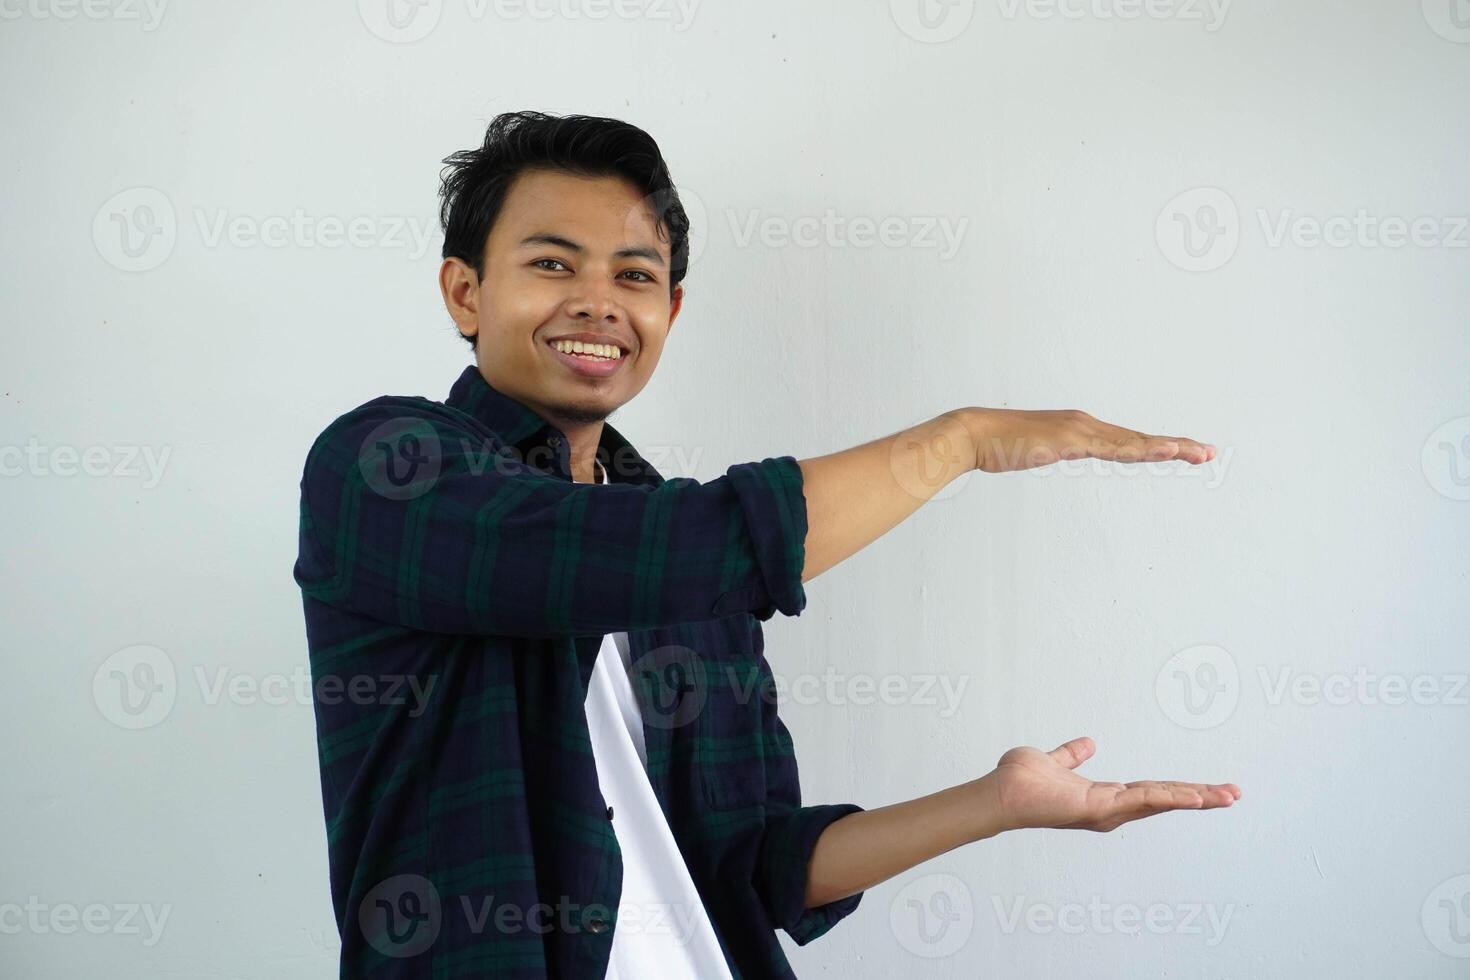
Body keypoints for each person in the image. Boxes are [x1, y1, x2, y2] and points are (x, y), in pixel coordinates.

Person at [292, 110, 1241, 979]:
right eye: (551, 264)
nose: (598, 302)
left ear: (672, 310)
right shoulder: (386, 467)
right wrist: (961, 440)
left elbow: (758, 866)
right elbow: (649, 553)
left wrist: (994, 804)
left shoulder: (688, 564)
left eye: (634, 275)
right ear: (464, 292)